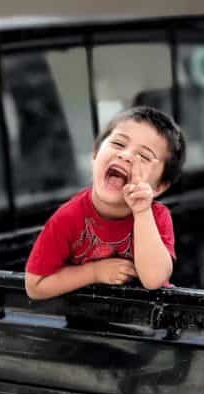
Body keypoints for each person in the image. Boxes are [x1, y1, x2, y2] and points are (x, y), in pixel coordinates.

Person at [25, 106, 185, 299]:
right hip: (87, 323)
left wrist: (142, 212)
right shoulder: (67, 218)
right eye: (118, 143)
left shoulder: (156, 216)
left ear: (159, 187)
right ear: (95, 152)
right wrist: (94, 273)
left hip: (149, 323)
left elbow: (154, 280)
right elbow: (35, 286)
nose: (125, 155)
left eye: (143, 156)